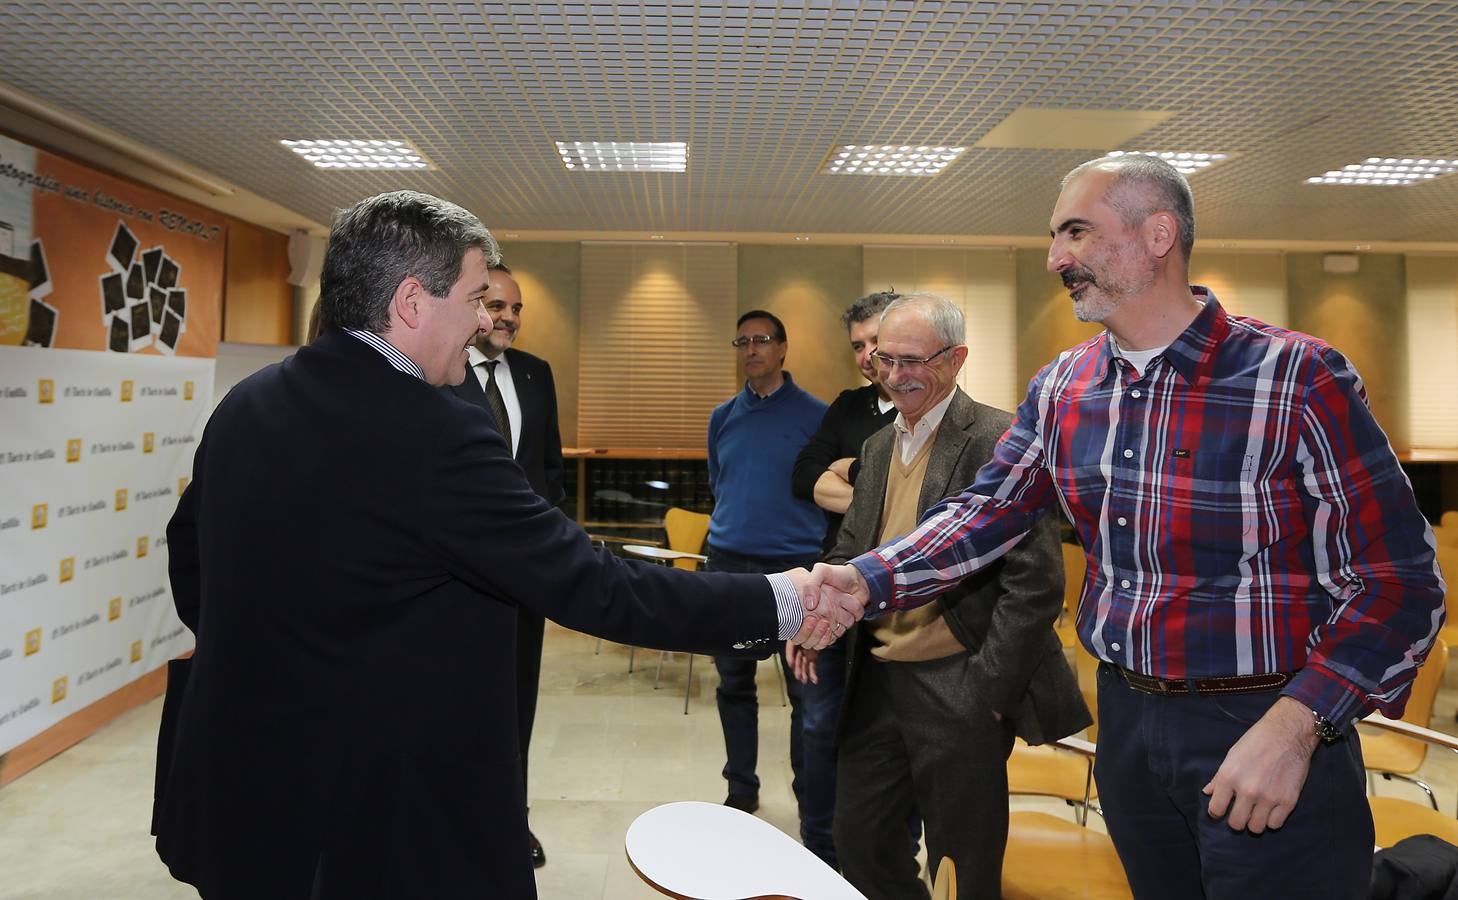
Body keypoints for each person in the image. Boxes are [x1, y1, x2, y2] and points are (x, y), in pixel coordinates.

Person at [152, 191, 850, 900]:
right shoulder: (434, 433)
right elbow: (592, 584)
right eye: (476, 297)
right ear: (412, 303)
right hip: (378, 824)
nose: (487, 320)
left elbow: (192, 566)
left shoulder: (247, 403)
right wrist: (780, 601)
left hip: (242, 797)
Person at [802, 155, 1445, 899]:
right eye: (1054, 237)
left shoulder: (1296, 376)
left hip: (1266, 722)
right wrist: (862, 579)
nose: (1055, 258)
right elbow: (984, 512)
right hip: (1130, 724)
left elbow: (1401, 585)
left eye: (1076, 231)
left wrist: (1300, 725)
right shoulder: (1065, 386)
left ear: (1159, 233)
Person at [793, 293, 1088, 898]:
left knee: (965, 863)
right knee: (862, 844)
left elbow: (1035, 584)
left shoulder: (999, 438)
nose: (896, 376)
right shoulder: (876, 449)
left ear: (956, 360)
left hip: (961, 684)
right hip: (873, 680)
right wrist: (815, 614)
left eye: (913, 361)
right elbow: (850, 549)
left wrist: (989, 693)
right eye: (885, 360)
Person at [445, 262, 562, 869]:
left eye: (517, 309)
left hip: (525, 580)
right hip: (456, 582)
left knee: (518, 701)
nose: (508, 319)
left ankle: (511, 820)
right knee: (459, 703)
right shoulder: (439, 374)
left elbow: (549, 472)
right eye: (495, 306)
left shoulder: (537, 375)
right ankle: (458, 820)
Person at [785, 289, 899, 867]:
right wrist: (875, 498)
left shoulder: (946, 415)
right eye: (858, 345)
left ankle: (882, 856)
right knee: (819, 725)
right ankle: (819, 854)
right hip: (837, 590)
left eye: (877, 340)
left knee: (888, 739)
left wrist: (847, 471)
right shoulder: (850, 408)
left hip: (908, 604)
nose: (867, 355)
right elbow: (804, 474)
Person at [706, 310, 827, 819]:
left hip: (795, 568)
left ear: (783, 349)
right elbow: (719, 481)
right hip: (730, 564)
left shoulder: (817, 416)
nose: (752, 349)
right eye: (743, 341)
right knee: (734, 683)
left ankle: (810, 793)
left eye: (762, 340)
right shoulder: (723, 417)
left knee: (805, 692)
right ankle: (742, 786)